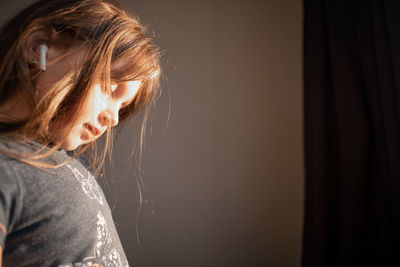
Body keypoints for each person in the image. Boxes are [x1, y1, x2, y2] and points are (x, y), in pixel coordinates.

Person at [0, 0, 161, 266]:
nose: (114, 118)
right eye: (110, 87)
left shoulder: (56, 158)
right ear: (40, 47)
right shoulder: (6, 165)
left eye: (123, 106)